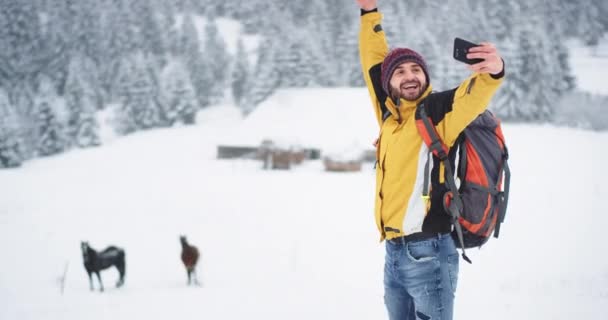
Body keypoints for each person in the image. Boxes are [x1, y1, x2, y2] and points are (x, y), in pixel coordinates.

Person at [356, 1, 505, 319]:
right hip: (393, 253)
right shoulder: (389, 117)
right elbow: (373, 61)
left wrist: (494, 70)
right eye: (399, 71)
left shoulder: (439, 112)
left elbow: (476, 94)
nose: (409, 76)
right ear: (388, 84)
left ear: (425, 76)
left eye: (416, 69)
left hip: (430, 253)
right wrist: (369, 13)